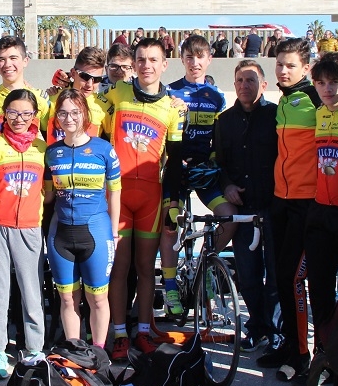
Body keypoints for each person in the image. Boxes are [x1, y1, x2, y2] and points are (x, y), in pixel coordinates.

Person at [103, 38, 185, 358]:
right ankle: (120, 333)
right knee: (120, 268)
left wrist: (173, 203)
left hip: (151, 195)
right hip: (118, 194)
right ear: (133, 63)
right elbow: (87, 109)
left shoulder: (173, 107)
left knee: (146, 268)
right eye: (141, 59)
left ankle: (143, 331)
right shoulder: (117, 91)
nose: (146, 65)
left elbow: (175, 162)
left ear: (164, 65)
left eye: (153, 60)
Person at [0, 89, 48, 378]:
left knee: (32, 292)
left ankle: (35, 349)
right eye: (13, 112)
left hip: (30, 229)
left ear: (35, 116)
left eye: (26, 113)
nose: (19, 119)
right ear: (4, 114)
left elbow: (49, 190)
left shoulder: (43, 148)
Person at [256, 38, 321, 382]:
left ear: (306, 68)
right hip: (281, 200)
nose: (283, 70)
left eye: (291, 65)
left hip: (306, 203)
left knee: (295, 279)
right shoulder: (284, 100)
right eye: (279, 64)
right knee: (281, 277)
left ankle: (303, 355)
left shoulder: (315, 98)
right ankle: (289, 344)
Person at [161, 35, 238, 318]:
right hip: (176, 171)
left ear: (209, 59)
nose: (194, 62)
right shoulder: (170, 92)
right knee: (170, 223)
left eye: (200, 57)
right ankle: (170, 286)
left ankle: (206, 263)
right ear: (182, 59)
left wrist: (213, 161)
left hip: (205, 171)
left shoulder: (216, 96)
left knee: (229, 218)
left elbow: (219, 139)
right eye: (189, 57)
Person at [300, 52, 338, 385]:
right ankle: (322, 356)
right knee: (320, 290)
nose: (327, 88)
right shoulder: (319, 114)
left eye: (333, 82)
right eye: (320, 83)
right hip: (319, 212)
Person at [45, 89, 121, 348]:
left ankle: (98, 352)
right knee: (68, 299)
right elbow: (46, 196)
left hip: (96, 232)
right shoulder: (51, 152)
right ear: (56, 117)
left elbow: (115, 192)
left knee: (97, 299)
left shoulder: (104, 149)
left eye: (75, 112)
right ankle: (75, 353)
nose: (69, 118)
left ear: (85, 114)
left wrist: (114, 232)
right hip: (60, 233)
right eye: (63, 113)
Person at [214, 60, 279, 352]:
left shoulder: (276, 116)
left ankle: (276, 330)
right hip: (242, 210)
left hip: (273, 206)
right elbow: (219, 164)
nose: (244, 85)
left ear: (263, 85)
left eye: (251, 80)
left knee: (275, 274)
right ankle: (257, 328)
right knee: (248, 274)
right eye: (240, 80)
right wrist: (227, 185)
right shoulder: (224, 121)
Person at [0, 36, 50, 139]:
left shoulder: (41, 98)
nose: (7, 64)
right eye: (1, 59)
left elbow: (51, 139)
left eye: (13, 58)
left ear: (25, 61)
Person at [44, 47, 111, 143]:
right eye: (85, 76)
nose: (90, 84)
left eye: (97, 79)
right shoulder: (53, 97)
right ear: (73, 73)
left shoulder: (104, 106)